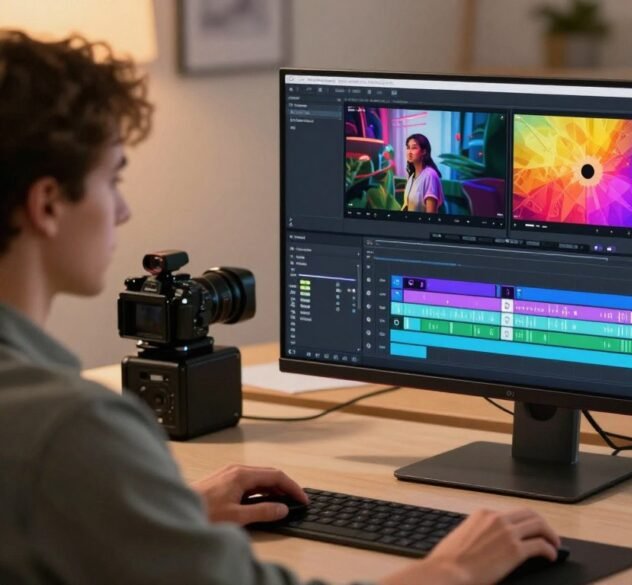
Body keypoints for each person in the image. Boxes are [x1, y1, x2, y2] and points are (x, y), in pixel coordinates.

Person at [0, 30, 558, 585]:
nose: (122, 211)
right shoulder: (69, 431)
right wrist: (455, 568)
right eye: (113, 179)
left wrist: (160, 518)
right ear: (48, 204)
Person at [403, 134, 444, 214]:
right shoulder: (411, 177)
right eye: (408, 148)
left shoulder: (430, 175)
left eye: (414, 148)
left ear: (424, 151)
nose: (409, 152)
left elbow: (430, 216)